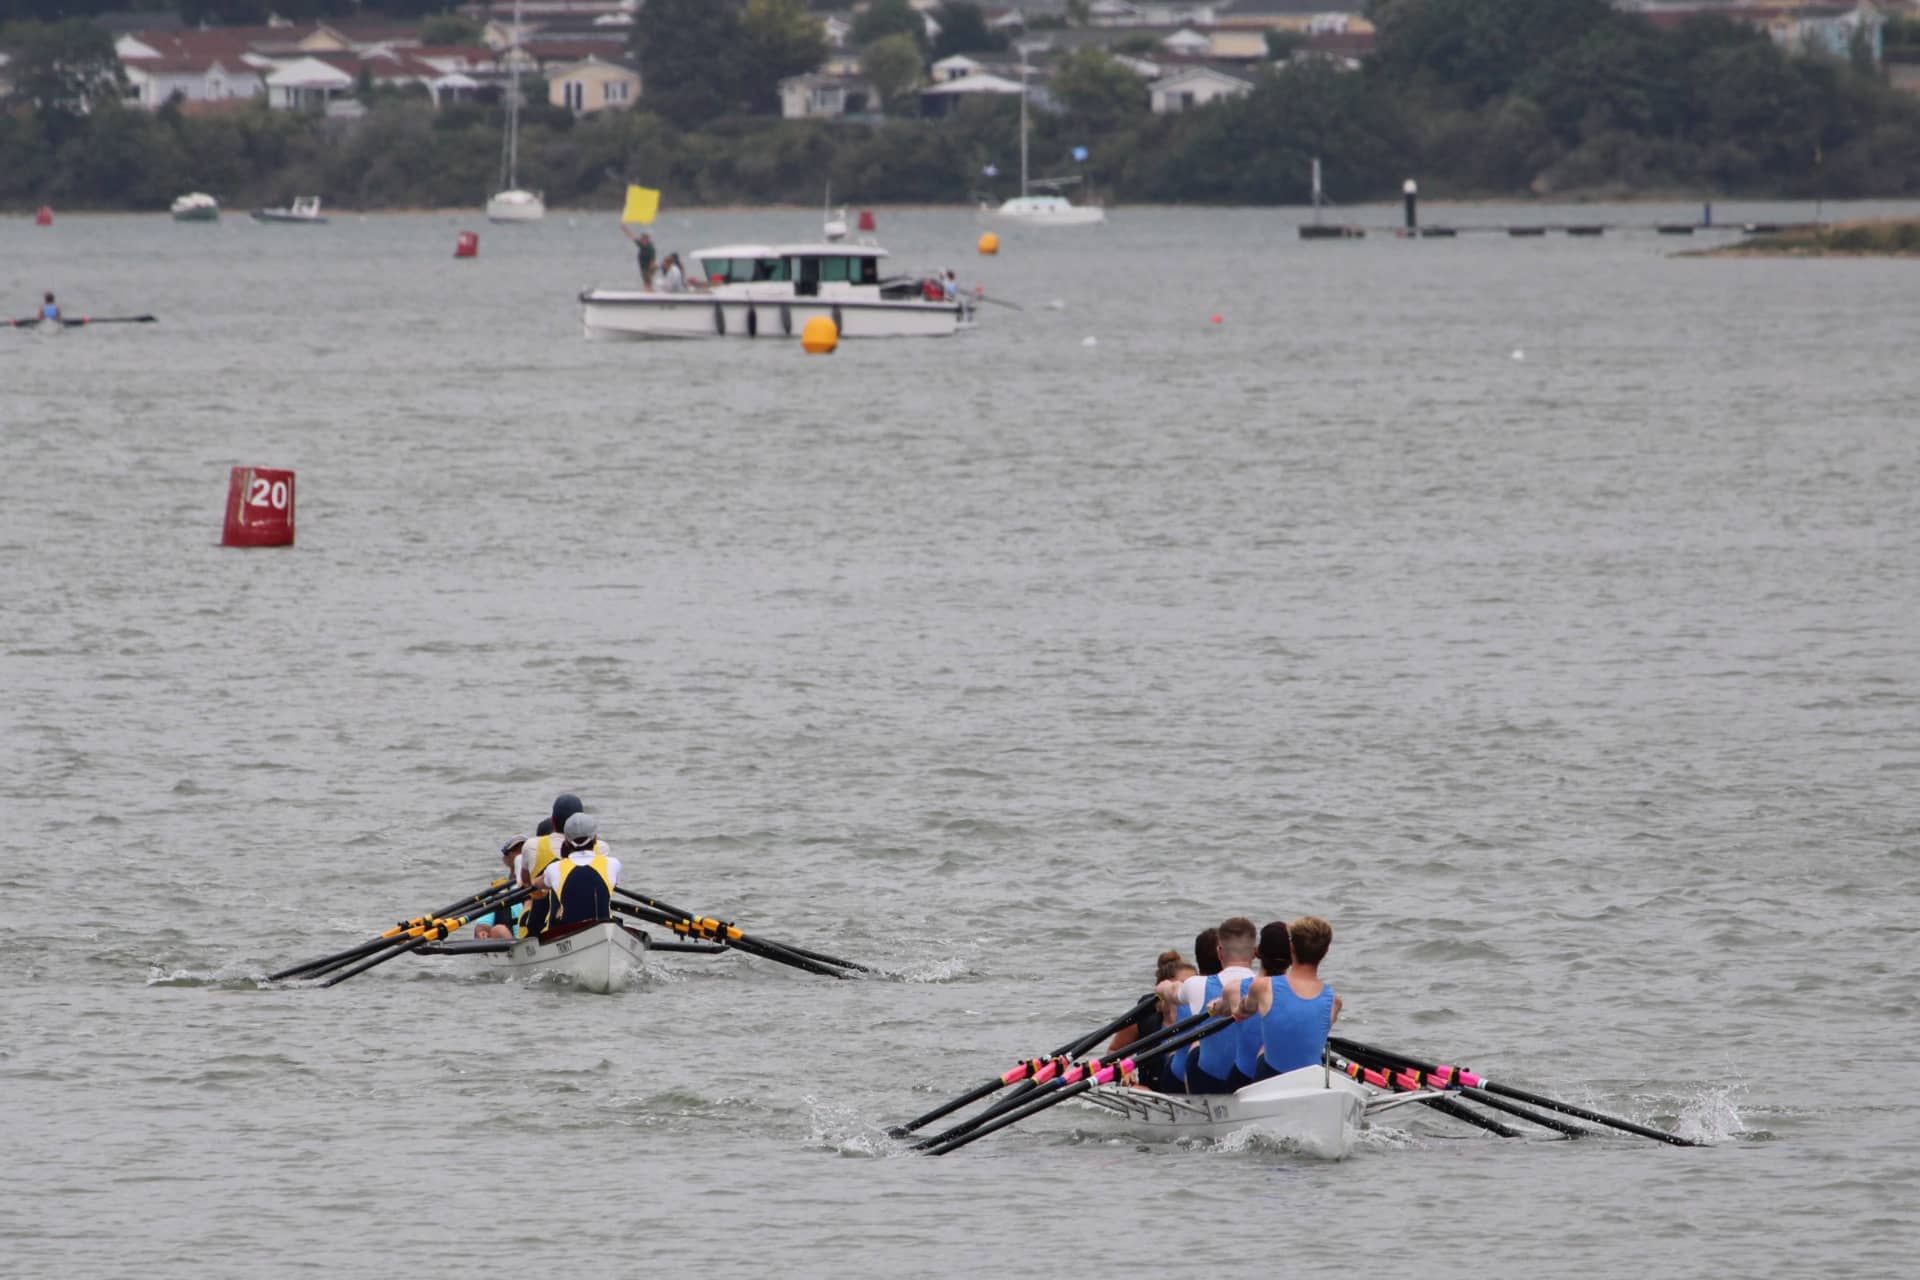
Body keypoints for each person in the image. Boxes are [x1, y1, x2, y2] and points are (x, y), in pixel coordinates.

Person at [1234, 916, 1342, 1080]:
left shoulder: (1262, 987)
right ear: (1325, 952)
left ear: (1291, 947)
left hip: (1270, 1077)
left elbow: (1244, 1011)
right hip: (1311, 1081)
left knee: (1263, 1052)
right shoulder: (1334, 1001)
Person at [1184, 916, 1257, 1094]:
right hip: (1253, 1081)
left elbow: (1172, 993)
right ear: (1255, 952)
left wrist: (1163, 988)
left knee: (1194, 1047)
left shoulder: (1196, 984)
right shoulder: (1268, 986)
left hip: (1210, 1083)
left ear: (1219, 953)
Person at [513, 794, 585, 937]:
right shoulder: (599, 848)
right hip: (587, 920)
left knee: (530, 902)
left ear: (553, 821)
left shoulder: (532, 845)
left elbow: (526, 882)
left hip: (541, 925)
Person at [537, 811, 621, 929]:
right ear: (595, 839)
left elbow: (538, 884)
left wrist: (534, 883)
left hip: (567, 932)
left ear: (566, 841)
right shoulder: (613, 864)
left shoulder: (554, 868)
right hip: (604, 929)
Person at [1162, 927, 1219, 1090]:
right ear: (1222, 955)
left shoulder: (1187, 987)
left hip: (1176, 1074)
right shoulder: (1240, 987)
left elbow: (1162, 987)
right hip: (1183, 1076)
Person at [475, 818, 550, 940]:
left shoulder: (543, 881)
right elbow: (483, 924)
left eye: (524, 850)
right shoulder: (499, 891)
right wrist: (482, 931)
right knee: (498, 930)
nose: (520, 855)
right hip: (510, 944)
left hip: (537, 938)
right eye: (515, 851)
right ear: (506, 859)